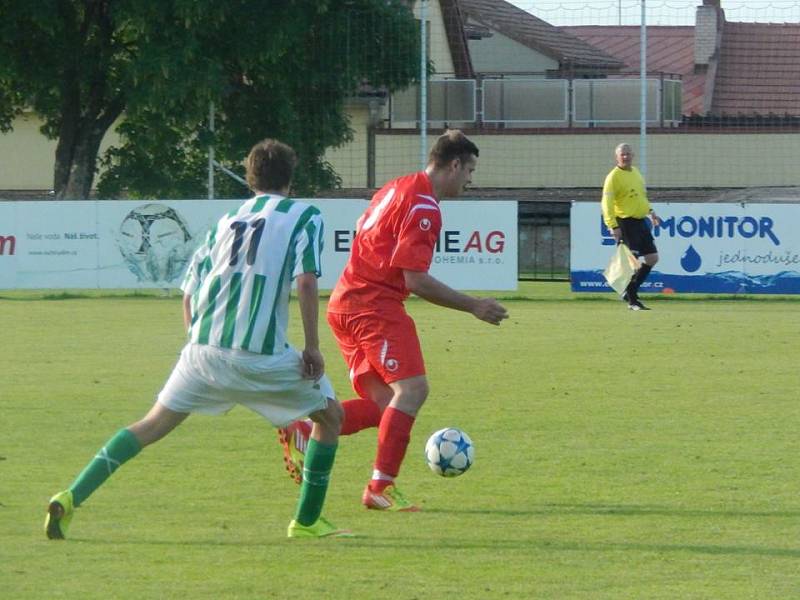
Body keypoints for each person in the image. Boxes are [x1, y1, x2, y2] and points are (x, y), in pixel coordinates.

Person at [44, 139, 352, 540]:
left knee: (150, 424)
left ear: (250, 178)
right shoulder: (305, 215)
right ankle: (308, 522)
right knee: (330, 417)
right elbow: (307, 281)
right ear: (290, 180)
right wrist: (312, 346)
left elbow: (188, 290)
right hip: (258, 355)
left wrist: (197, 344)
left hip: (201, 352)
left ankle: (70, 496)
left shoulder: (225, 220)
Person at [277, 129, 508, 511]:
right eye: (469, 170)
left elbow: (361, 231)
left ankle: (304, 428)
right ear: (454, 165)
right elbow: (414, 279)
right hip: (374, 306)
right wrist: (473, 306)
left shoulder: (395, 187)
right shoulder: (424, 206)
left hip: (345, 304)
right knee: (413, 390)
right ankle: (380, 487)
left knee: (387, 403)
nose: (470, 179)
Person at [601, 142, 663, 311]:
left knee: (652, 258)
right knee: (631, 262)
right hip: (625, 222)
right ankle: (632, 299)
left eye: (628, 154)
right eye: (623, 154)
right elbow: (606, 204)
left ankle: (629, 293)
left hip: (640, 221)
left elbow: (640, 196)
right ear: (617, 157)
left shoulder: (636, 172)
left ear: (633, 155)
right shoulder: (613, 177)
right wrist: (613, 226)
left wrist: (651, 211)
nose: (626, 157)